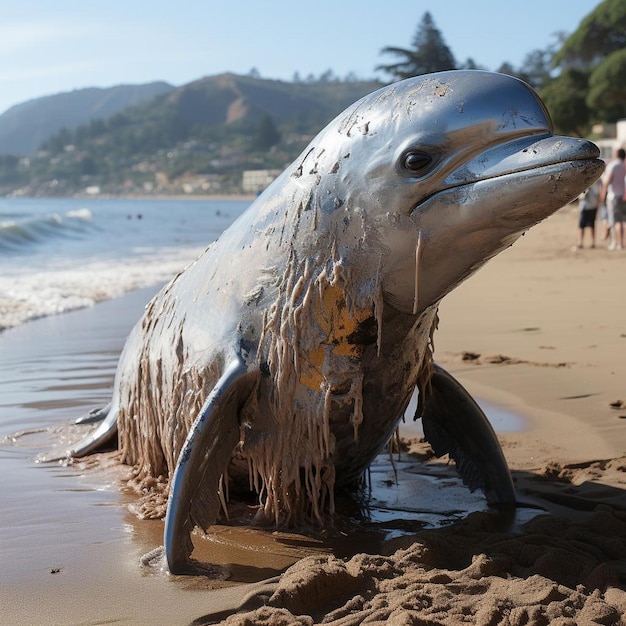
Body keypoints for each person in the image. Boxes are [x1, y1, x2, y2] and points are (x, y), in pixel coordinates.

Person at [601, 147, 626, 250]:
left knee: (614, 221)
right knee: (621, 220)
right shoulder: (623, 165)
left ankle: (615, 242)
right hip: (622, 195)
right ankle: (621, 242)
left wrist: (603, 193)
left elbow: (608, 181)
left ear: (616, 154)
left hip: (613, 195)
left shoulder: (613, 165)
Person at [576, 178, 602, 248]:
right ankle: (589, 242)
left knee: (583, 225)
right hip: (593, 204)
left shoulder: (587, 178)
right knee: (590, 224)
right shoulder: (598, 178)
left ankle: (581, 242)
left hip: (586, 205)